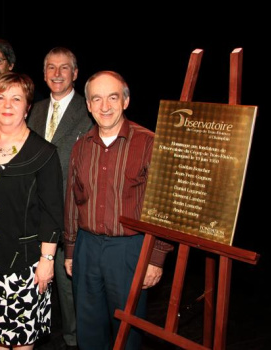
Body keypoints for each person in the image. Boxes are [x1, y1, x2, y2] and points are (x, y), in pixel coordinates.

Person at [64, 71, 173, 349]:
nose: (105, 106)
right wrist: (71, 250)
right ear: (88, 105)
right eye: (96, 99)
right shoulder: (81, 147)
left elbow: (164, 205)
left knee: (128, 331)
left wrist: (156, 258)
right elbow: (73, 202)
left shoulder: (149, 143)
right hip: (87, 248)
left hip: (130, 250)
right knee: (88, 331)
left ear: (125, 101)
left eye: (112, 97)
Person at [0, 71, 64, 350]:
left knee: (20, 341)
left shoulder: (43, 153)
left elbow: (53, 212)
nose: (7, 105)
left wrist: (47, 260)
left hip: (24, 265)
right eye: (1, 97)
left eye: (16, 98)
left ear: (27, 107)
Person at [27, 47, 93, 350]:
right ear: (43, 74)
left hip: (73, 212)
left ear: (75, 73)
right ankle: (36, 333)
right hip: (35, 212)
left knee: (69, 284)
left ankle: (74, 339)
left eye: (64, 68)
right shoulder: (34, 109)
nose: (56, 73)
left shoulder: (90, 110)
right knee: (37, 278)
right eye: (51, 67)